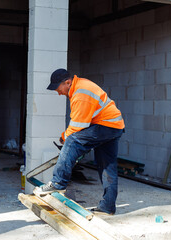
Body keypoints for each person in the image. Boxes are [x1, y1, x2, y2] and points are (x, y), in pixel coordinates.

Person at [34, 68, 125, 215]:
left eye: (58, 88)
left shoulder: (80, 93)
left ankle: (58, 182)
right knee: (107, 168)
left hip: (105, 126)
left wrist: (64, 138)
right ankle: (108, 207)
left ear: (67, 82)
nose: (58, 93)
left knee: (71, 140)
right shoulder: (80, 86)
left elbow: (77, 127)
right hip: (114, 126)